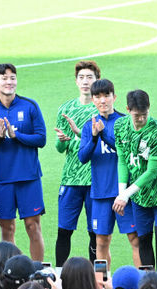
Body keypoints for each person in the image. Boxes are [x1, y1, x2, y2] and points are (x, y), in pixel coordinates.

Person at [0, 63, 47, 260]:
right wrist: (0, 137)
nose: (9, 82)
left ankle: (37, 272)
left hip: (29, 177)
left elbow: (41, 139)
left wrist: (17, 136)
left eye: (12, 78)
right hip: (3, 179)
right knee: (7, 229)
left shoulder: (30, 106)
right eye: (4, 78)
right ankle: (12, 272)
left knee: (32, 226)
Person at [78, 79, 140, 267]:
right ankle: (102, 286)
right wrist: (95, 137)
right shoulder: (89, 127)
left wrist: (104, 135)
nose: (102, 100)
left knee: (135, 239)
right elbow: (83, 157)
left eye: (106, 95)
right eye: (98, 96)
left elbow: (126, 151)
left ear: (114, 97)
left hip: (124, 193)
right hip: (101, 193)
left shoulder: (124, 122)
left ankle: (143, 286)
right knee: (101, 242)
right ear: (93, 100)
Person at [114, 90, 157, 271]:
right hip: (139, 198)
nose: (140, 119)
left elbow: (152, 172)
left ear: (149, 109)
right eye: (136, 115)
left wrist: (126, 194)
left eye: (144, 114)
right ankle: (149, 283)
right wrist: (121, 193)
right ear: (127, 109)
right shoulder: (120, 126)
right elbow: (123, 161)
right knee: (144, 239)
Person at [54, 60, 101, 266]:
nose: (85, 82)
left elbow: (100, 144)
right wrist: (62, 140)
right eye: (81, 78)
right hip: (71, 178)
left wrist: (77, 136)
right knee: (64, 230)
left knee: (95, 233)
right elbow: (59, 147)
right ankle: (59, 275)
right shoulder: (66, 109)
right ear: (75, 81)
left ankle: (95, 278)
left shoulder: (101, 110)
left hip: (94, 180)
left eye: (89, 77)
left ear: (97, 80)